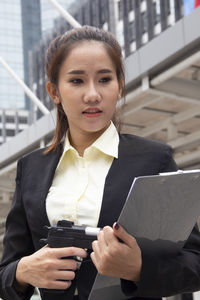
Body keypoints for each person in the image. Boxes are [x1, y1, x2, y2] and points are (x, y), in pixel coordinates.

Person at [0, 26, 199, 300]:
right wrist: (23, 271)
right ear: (54, 91)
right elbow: (6, 272)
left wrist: (138, 268)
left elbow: (194, 263)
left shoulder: (155, 160)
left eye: (104, 79)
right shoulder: (30, 168)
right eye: (77, 81)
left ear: (119, 87)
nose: (92, 94)